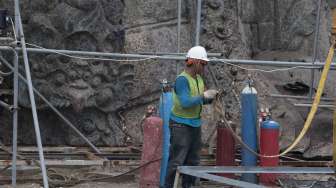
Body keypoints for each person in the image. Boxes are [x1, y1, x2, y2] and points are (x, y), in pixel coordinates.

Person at [164, 46, 218, 188]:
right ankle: (167, 186)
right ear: (194, 61)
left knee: (193, 161)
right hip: (180, 125)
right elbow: (186, 102)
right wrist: (204, 95)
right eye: (203, 63)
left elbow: (198, 100)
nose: (204, 66)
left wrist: (210, 98)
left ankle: (188, 185)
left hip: (194, 124)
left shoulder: (198, 79)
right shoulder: (182, 80)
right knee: (177, 161)